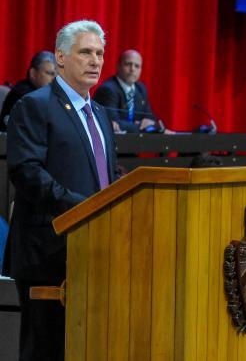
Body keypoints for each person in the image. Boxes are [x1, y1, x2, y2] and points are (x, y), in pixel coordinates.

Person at [2, 20, 118, 361]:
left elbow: (103, 176)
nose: (95, 61)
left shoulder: (98, 112)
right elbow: (26, 172)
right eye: (85, 52)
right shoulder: (35, 105)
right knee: (47, 350)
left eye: (99, 53)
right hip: (48, 252)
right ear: (61, 57)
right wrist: (83, 209)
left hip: (94, 249)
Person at [93, 49, 173, 133]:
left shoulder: (140, 88)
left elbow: (150, 117)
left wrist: (149, 123)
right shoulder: (108, 89)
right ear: (118, 66)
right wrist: (141, 126)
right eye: (128, 64)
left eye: (137, 66)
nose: (132, 69)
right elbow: (113, 122)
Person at [0, 51, 57, 130]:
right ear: (33, 74)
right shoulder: (23, 95)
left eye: (56, 75)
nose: (54, 79)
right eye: (49, 73)